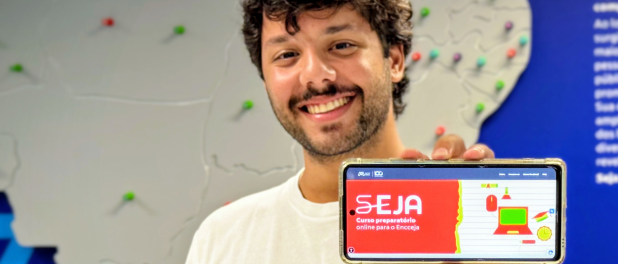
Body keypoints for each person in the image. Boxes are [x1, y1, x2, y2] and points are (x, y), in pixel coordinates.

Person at [185, 0, 496, 263]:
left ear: (395, 60)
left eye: (341, 45)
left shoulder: (465, 222)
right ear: (265, 78)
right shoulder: (221, 240)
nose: (315, 77)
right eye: (287, 55)